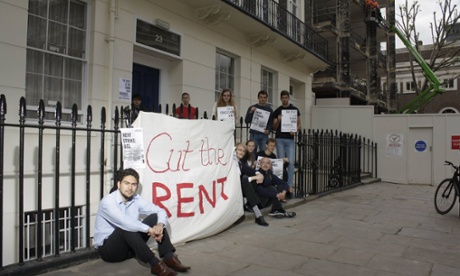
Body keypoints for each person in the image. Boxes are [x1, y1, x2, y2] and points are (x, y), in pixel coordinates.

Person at [94, 168, 191, 276]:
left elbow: (160, 210)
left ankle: (169, 258)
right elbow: (124, 222)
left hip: (130, 249)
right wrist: (150, 230)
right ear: (118, 184)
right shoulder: (107, 202)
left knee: (155, 217)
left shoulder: (135, 199)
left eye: (134, 184)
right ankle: (156, 265)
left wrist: (159, 225)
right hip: (110, 251)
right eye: (126, 183)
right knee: (126, 227)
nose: (130, 188)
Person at [272, 90, 301, 198]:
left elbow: (299, 124)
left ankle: (289, 185)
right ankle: (281, 185)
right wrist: (278, 120)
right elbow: (274, 128)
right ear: (280, 98)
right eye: (282, 98)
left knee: (291, 162)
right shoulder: (277, 111)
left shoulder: (294, 110)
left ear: (288, 98)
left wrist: (295, 130)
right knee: (280, 163)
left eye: (286, 97)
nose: (284, 99)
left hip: (290, 139)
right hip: (279, 138)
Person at [234, 143, 269, 226]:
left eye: (243, 151)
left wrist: (259, 174)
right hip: (232, 187)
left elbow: (250, 170)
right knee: (246, 179)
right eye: (239, 150)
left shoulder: (240, 163)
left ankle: (246, 201)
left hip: (240, 187)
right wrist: (255, 177)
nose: (242, 152)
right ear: (234, 150)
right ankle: (258, 214)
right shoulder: (232, 162)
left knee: (249, 179)